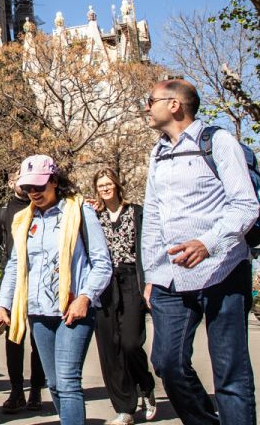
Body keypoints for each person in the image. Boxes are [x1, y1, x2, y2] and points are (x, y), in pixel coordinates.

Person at [141, 79, 259, 424]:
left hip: (222, 270)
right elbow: (153, 215)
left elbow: (245, 206)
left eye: (151, 101)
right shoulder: (158, 151)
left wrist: (208, 243)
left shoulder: (218, 142)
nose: (146, 107)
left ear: (175, 105)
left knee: (230, 373)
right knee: (166, 362)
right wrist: (151, 275)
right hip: (170, 277)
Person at [0, 155, 113, 425]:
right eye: (28, 188)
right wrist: (4, 305)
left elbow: (102, 262)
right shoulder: (23, 220)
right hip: (38, 312)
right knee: (55, 383)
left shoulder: (79, 211)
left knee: (68, 381)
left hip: (73, 309)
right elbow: (14, 265)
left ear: (54, 181)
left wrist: (85, 297)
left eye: (39, 186)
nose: (33, 192)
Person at [90, 168, 157, 424]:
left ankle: (146, 385)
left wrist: (149, 281)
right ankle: (124, 408)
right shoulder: (94, 216)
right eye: (101, 185)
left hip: (131, 279)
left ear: (117, 185)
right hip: (105, 282)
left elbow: (147, 247)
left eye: (109, 184)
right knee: (110, 347)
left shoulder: (136, 212)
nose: (105, 188)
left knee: (130, 342)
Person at [0, 175, 47, 413]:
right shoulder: (2, 212)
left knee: (39, 338)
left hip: (40, 279)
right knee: (14, 338)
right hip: (14, 280)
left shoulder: (41, 207)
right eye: (17, 179)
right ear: (11, 182)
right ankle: (16, 390)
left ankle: (36, 390)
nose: (22, 184)